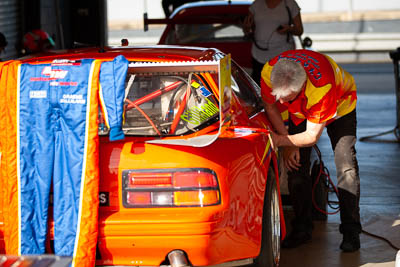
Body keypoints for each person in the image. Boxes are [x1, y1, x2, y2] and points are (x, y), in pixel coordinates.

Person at [261, 49, 361, 252]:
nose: (281, 103)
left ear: (302, 86)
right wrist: (289, 144)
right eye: (278, 95)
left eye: (286, 97)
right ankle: (302, 228)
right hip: (302, 110)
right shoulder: (268, 71)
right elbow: (271, 107)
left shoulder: (320, 87)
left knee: (346, 167)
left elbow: (312, 136)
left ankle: (351, 230)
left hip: (341, 107)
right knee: (296, 166)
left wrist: (281, 140)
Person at [243, 0, 304, 85]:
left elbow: (299, 30)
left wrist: (289, 29)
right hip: (259, 55)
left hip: (283, 56)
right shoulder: (256, 4)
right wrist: (246, 27)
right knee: (259, 87)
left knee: (283, 88)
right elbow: (247, 29)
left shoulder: (290, 4)